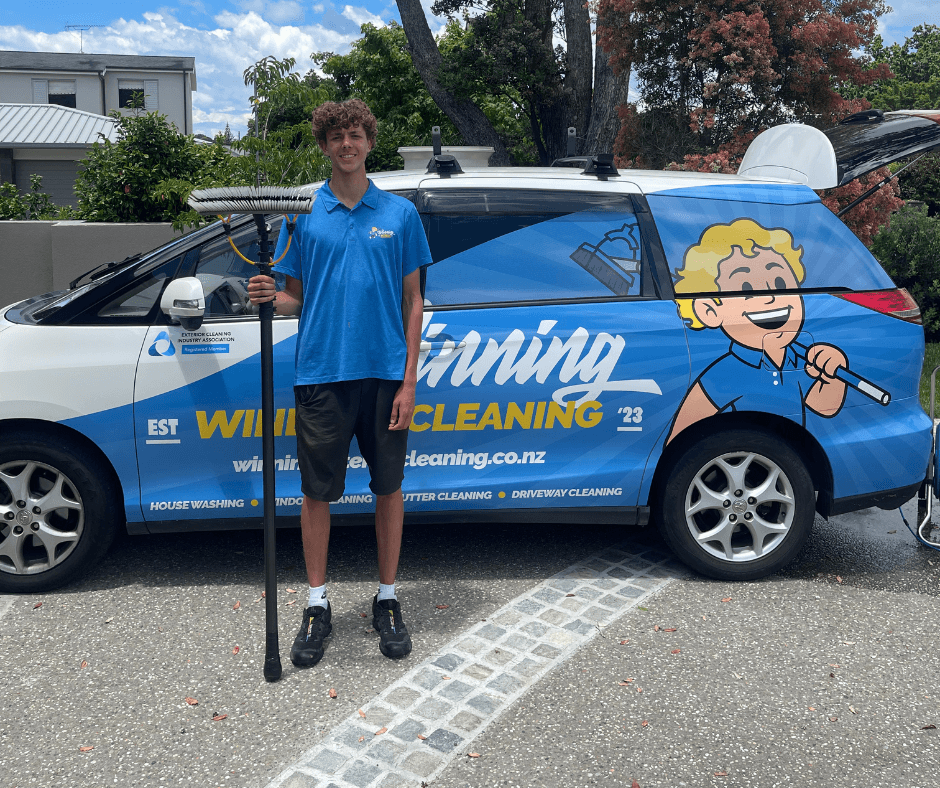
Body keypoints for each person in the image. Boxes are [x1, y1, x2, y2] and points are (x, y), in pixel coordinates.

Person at [247, 99, 431, 667]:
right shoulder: (302, 214)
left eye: (355, 135)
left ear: (368, 142)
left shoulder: (400, 214)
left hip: (383, 376)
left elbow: (413, 300)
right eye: (336, 137)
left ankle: (387, 597)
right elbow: (293, 297)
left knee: (388, 488)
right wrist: (266, 298)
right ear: (324, 146)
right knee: (316, 493)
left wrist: (408, 383)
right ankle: (317, 602)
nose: (347, 145)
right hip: (321, 373)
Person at [667, 218, 849, 443]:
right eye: (747, 288)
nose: (772, 297)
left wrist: (833, 376)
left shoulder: (798, 361)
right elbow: (678, 439)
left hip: (780, 463)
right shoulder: (723, 373)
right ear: (709, 311)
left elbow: (822, 407)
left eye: (781, 284)